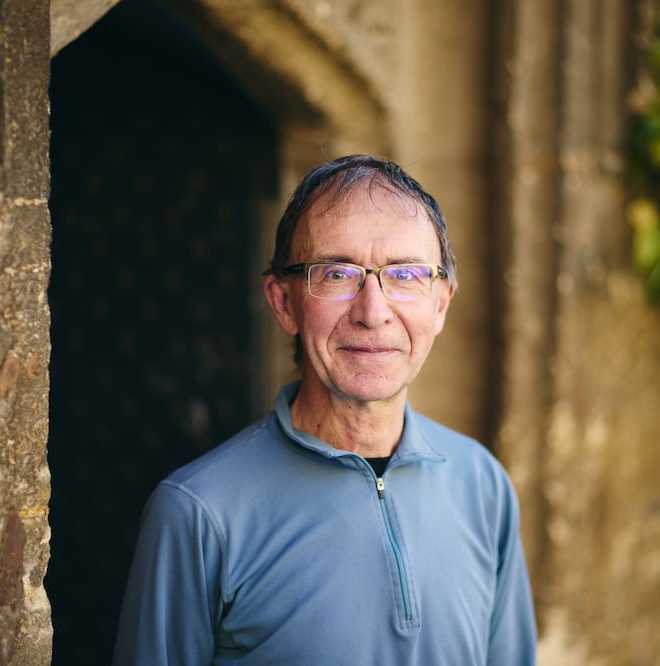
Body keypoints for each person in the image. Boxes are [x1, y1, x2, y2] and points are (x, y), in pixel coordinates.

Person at [113, 154, 537, 665]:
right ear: (284, 302)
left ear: (441, 302)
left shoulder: (483, 485)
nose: (374, 312)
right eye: (337, 274)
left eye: (405, 274)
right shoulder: (197, 513)